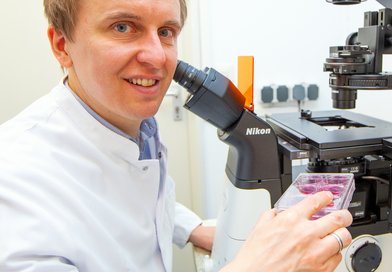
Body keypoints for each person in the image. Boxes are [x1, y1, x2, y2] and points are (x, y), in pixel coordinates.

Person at [0, 0, 352, 271]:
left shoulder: (133, 127)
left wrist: (191, 227)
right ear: (62, 45)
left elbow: (136, 191)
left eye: (166, 31)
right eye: (123, 26)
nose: (157, 57)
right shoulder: (15, 182)